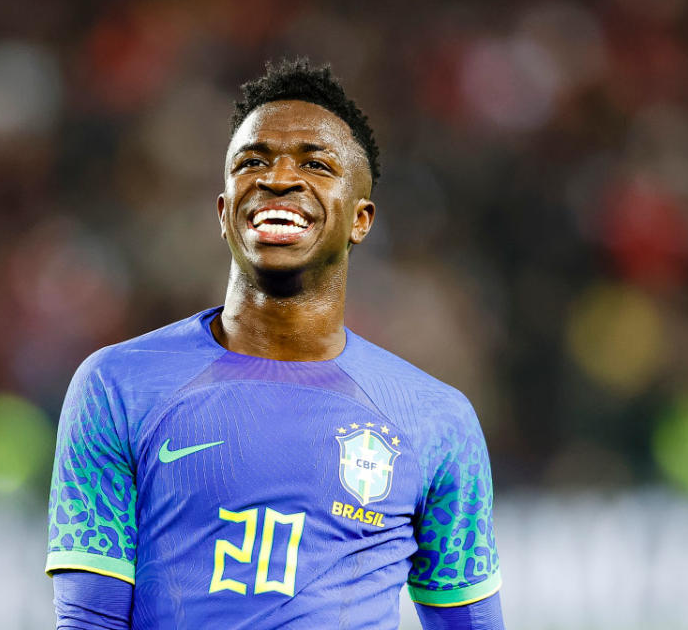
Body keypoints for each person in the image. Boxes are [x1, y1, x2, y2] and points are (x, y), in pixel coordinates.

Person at [46, 59, 504, 629]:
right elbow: (89, 622)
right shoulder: (117, 385)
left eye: (315, 163)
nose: (279, 178)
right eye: (252, 162)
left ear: (361, 220)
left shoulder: (437, 420)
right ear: (223, 211)